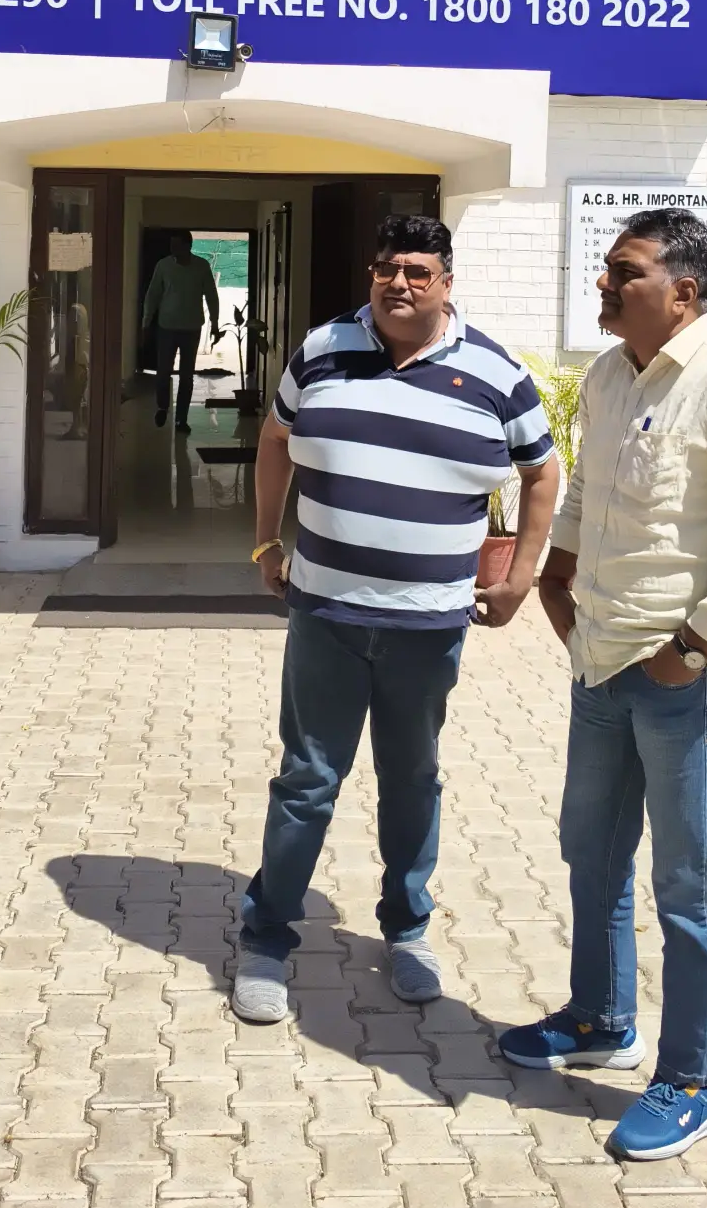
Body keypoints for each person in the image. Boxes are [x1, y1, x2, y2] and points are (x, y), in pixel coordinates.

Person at [500, 206, 707, 1162]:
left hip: (689, 683)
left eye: (623, 271)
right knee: (589, 851)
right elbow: (590, 495)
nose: (603, 283)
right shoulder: (607, 375)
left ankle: (695, 1080)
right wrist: (555, 577)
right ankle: (601, 1019)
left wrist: (690, 652)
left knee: (690, 886)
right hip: (601, 664)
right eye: (606, 269)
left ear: (684, 291)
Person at [233, 212, 561, 1025]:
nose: (399, 283)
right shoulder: (323, 350)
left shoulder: (495, 372)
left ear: (447, 282)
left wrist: (521, 577)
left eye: (418, 270)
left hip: (429, 625)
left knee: (412, 780)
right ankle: (267, 937)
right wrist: (267, 539)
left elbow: (543, 472)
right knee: (308, 779)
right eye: (386, 268)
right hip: (327, 613)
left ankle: (407, 930)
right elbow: (274, 439)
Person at [142, 231, 222, 431]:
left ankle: (181, 419)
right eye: (171, 245)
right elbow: (153, 294)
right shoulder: (163, 266)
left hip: (191, 328)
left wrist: (214, 323)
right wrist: (146, 323)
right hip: (167, 327)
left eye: (177, 245)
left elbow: (211, 295)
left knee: (186, 376)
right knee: (163, 372)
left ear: (188, 246)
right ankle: (162, 407)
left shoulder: (201, 266)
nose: (172, 249)